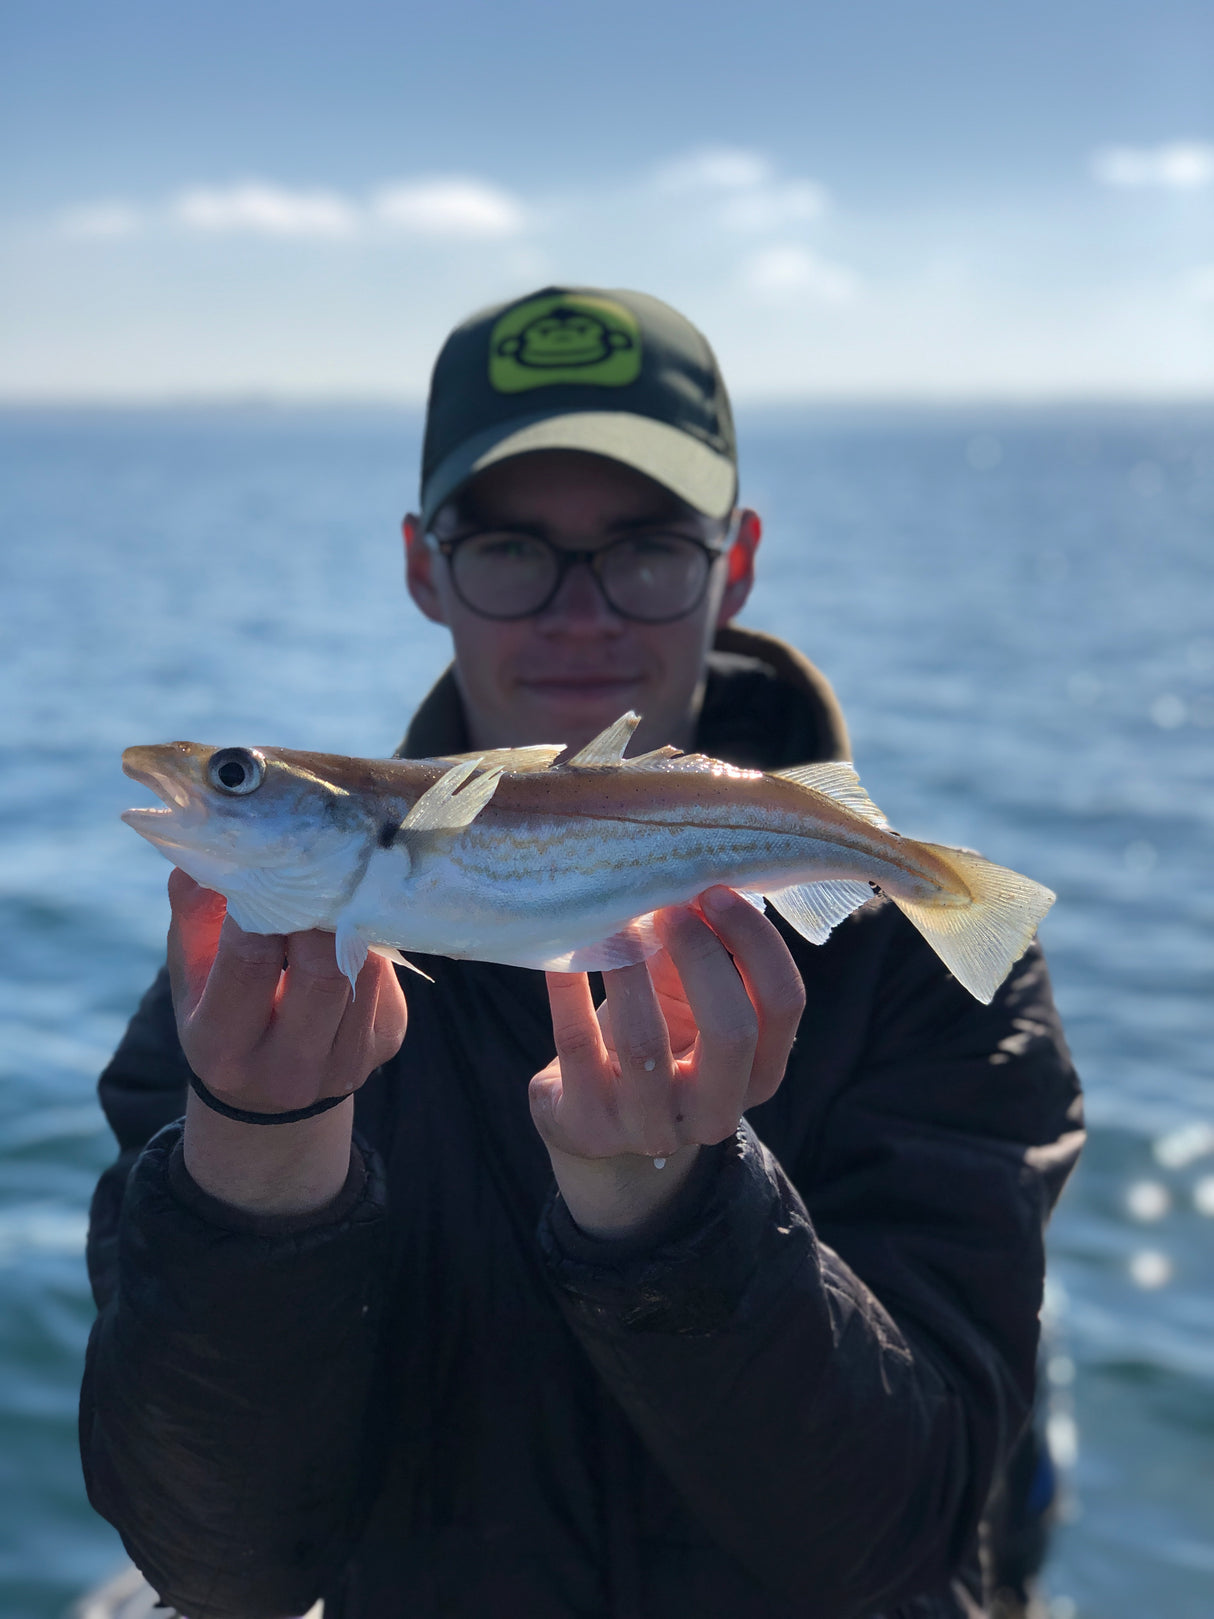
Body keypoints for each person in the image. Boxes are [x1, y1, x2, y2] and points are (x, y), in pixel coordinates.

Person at [81, 286, 1083, 1619]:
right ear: (421, 566)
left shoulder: (924, 961)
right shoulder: (246, 994)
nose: (578, 615)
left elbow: (900, 1543)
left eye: (647, 549)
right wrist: (257, 1159)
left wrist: (678, 1215)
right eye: (507, 549)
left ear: (733, 562)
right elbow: (220, 1566)